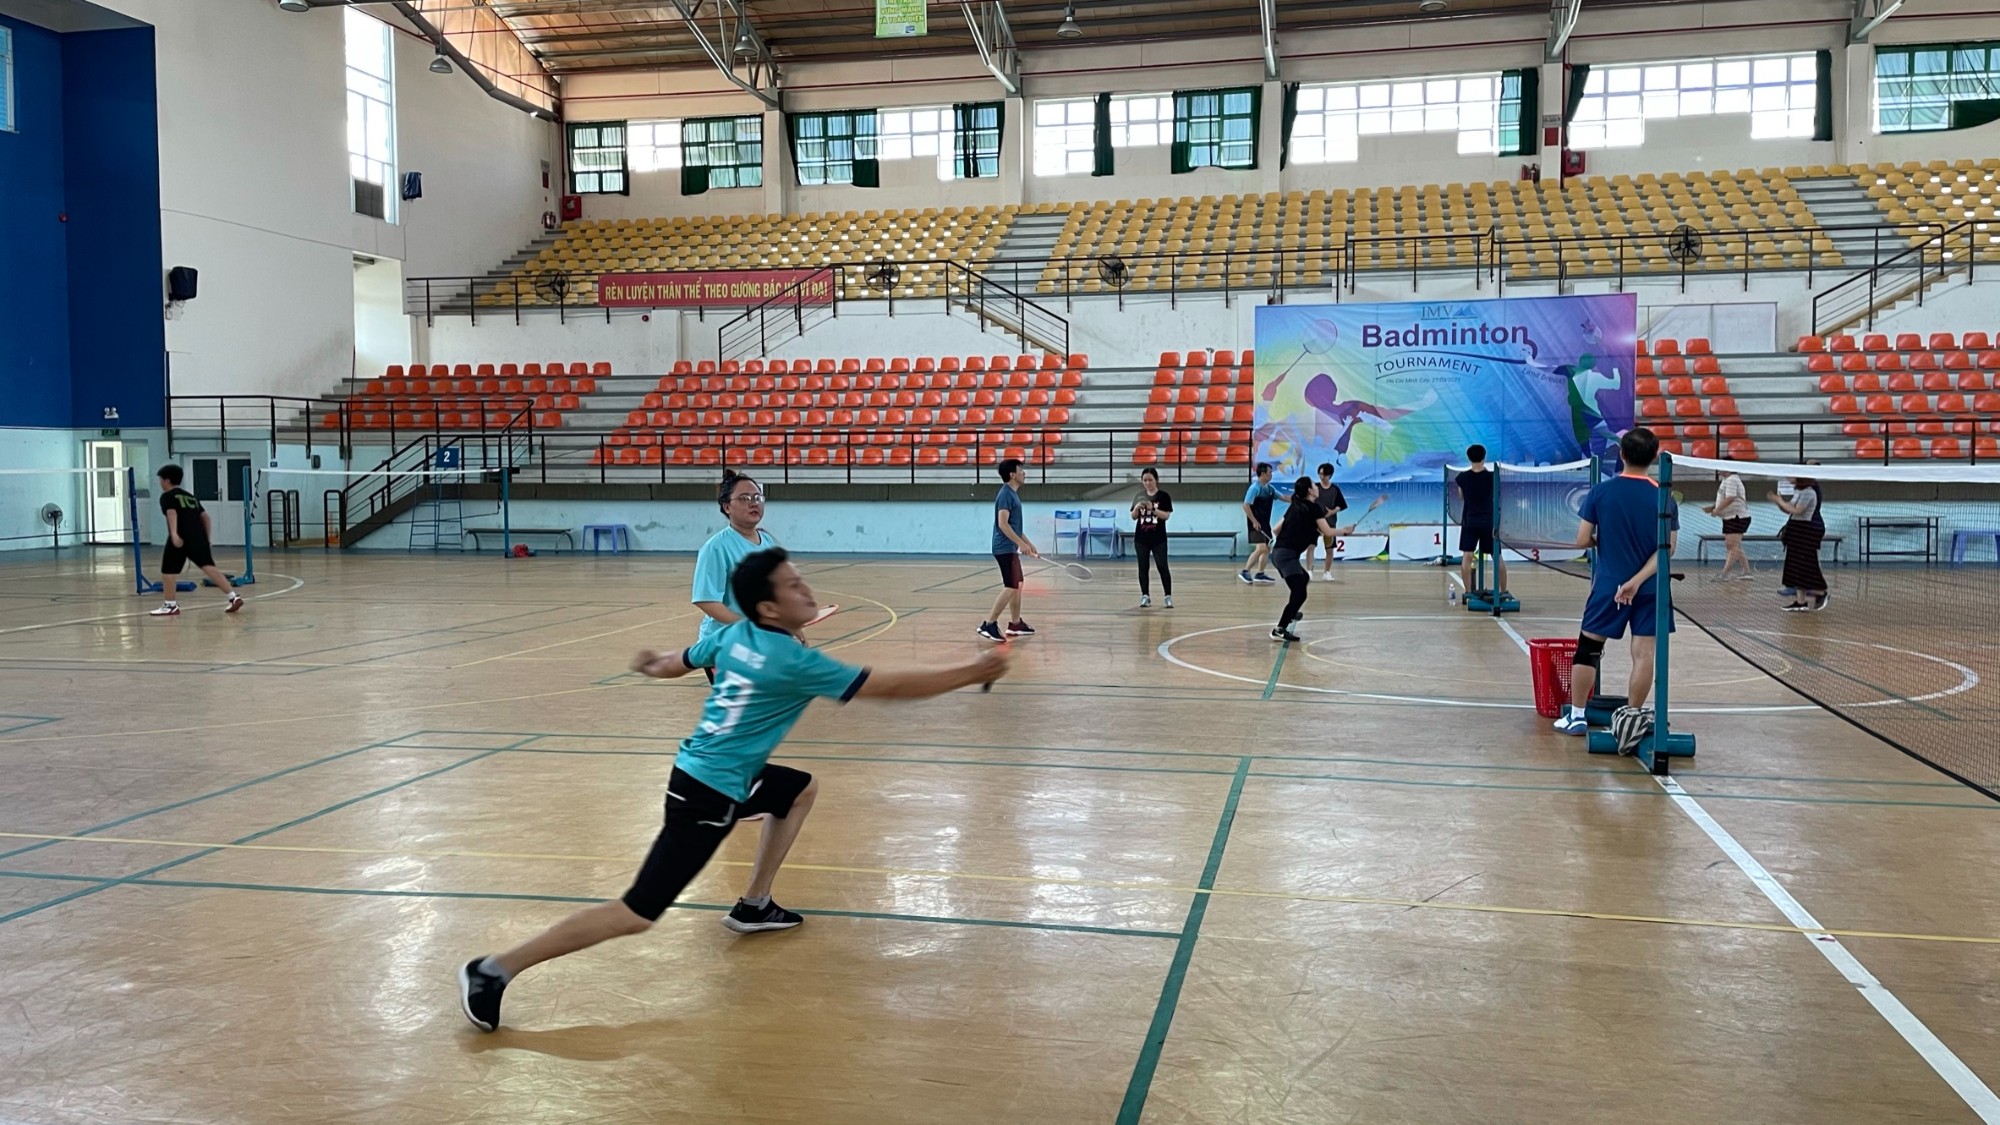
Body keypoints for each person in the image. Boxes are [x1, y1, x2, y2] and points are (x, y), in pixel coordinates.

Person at [458, 548, 1012, 1033]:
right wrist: (970, 672)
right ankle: (493, 970)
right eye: (793, 586)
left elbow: (676, 662)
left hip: (712, 775)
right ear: (769, 608)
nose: (806, 590)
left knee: (797, 789)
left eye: (801, 579)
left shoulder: (731, 635)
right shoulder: (790, 660)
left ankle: (755, 904)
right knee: (636, 912)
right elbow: (884, 687)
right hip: (706, 796)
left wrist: (650, 666)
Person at [1555, 428, 1679, 745]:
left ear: (1621, 454)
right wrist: (1637, 582)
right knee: (1644, 654)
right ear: (1654, 457)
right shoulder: (1664, 496)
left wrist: (1603, 542)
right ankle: (1630, 719)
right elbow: (1667, 551)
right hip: (1651, 589)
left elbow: (1581, 540)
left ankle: (1577, 716)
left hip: (1610, 586)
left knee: (1588, 650)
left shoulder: (1601, 492)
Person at [691, 469, 779, 682]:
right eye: (744, 498)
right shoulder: (716, 548)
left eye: (757, 497)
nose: (753, 503)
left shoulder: (768, 542)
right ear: (727, 507)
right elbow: (706, 600)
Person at [1268, 477, 1359, 642]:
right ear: (1310, 491)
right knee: (1300, 592)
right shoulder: (1314, 508)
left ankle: (1292, 611)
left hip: (1279, 554)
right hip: (1287, 556)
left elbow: (1276, 529)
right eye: (1313, 485)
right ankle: (1279, 629)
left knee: (1304, 579)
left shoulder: (1295, 505)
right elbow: (1328, 532)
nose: (1317, 487)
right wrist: (1345, 531)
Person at [148, 464, 244, 617]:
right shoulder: (190, 497)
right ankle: (233, 597)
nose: (160, 483)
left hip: (181, 537)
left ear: (167, 480)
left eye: (161, 479)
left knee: (168, 571)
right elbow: (205, 517)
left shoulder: (167, 496)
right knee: (209, 567)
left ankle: (170, 605)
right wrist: (207, 538)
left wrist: (174, 534)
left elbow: (172, 513)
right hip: (198, 537)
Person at [978, 457, 1039, 642]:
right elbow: (1003, 524)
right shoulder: (1005, 494)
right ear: (1013, 475)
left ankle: (1015, 623)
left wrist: (1028, 543)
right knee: (1011, 585)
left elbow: (1015, 526)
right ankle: (989, 624)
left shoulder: (1013, 494)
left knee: (1017, 584)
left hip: (1009, 547)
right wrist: (1021, 544)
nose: (1024, 473)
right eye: (1021, 470)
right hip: (1003, 547)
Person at [1455, 445, 1507, 600]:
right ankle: (1503, 592)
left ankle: (1468, 592)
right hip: (1488, 522)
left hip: (1470, 521)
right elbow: (1497, 496)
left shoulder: (1462, 478)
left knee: (1467, 556)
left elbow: (1461, 497)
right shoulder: (1493, 477)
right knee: (1497, 557)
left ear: (1469, 458)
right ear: (1484, 457)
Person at [1772, 475, 1828, 612]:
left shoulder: (1809, 492)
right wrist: (1779, 502)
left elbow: (1798, 510)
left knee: (1805, 564)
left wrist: (1780, 501)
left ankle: (1821, 592)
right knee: (1795, 565)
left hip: (1804, 531)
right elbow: (1789, 509)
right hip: (1795, 529)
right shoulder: (1798, 491)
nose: (1788, 477)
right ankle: (1800, 601)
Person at [1131, 467, 1174, 608]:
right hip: (1141, 539)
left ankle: (1168, 596)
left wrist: (1153, 509)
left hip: (1158, 539)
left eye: (1150, 480)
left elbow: (1166, 516)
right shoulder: (1139, 496)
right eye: (1145, 480)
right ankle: (1145, 596)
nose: (1147, 483)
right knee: (1143, 568)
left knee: (1162, 566)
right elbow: (1133, 517)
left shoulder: (1163, 496)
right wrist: (1136, 508)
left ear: (1156, 480)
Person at [1704, 468, 1752, 581]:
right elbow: (1726, 499)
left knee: (1732, 546)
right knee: (1734, 546)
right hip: (1731, 517)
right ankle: (1746, 572)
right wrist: (1714, 507)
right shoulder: (1727, 480)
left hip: (1737, 518)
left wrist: (1717, 510)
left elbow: (1731, 498)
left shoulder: (1731, 480)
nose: (1718, 469)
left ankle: (1725, 574)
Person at [1303, 462, 1349, 581]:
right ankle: (1309, 572)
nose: (1321, 476)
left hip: (1330, 523)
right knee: (1310, 546)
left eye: (1324, 474)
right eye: (1320, 473)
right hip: (1314, 523)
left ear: (1330, 475)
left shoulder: (1335, 489)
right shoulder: (1314, 488)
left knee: (1329, 549)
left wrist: (1332, 511)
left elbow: (1341, 505)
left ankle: (1327, 572)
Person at [1239, 462, 1279, 585]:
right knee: (1261, 547)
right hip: (1256, 524)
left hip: (1265, 524)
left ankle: (1260, 574)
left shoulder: (1270, 489)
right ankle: (1245, 571)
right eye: (1270, 472)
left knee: (1267, 548)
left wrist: (1298, 499)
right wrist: (1254, 521)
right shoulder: (1254, 488)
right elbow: (1246, 505)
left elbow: (1284, 497)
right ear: (1263, 473)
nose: (1271, 474)